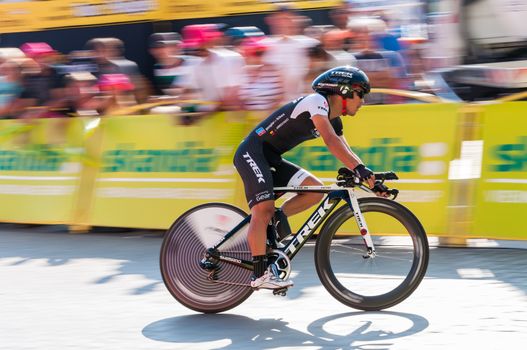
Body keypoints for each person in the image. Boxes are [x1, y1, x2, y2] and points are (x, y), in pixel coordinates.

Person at [233, 66, 383, 290]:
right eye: (360, 94)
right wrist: (358, 169)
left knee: (314, 191)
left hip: (270, 157)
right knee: (262, 209)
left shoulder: (335, 119)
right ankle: (259, 275)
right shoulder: (316, 102)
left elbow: (347, 151)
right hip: (251, 153)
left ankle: (275, 219)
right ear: (343, 91)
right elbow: (331, 142)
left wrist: (370, 178)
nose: (363, 101)